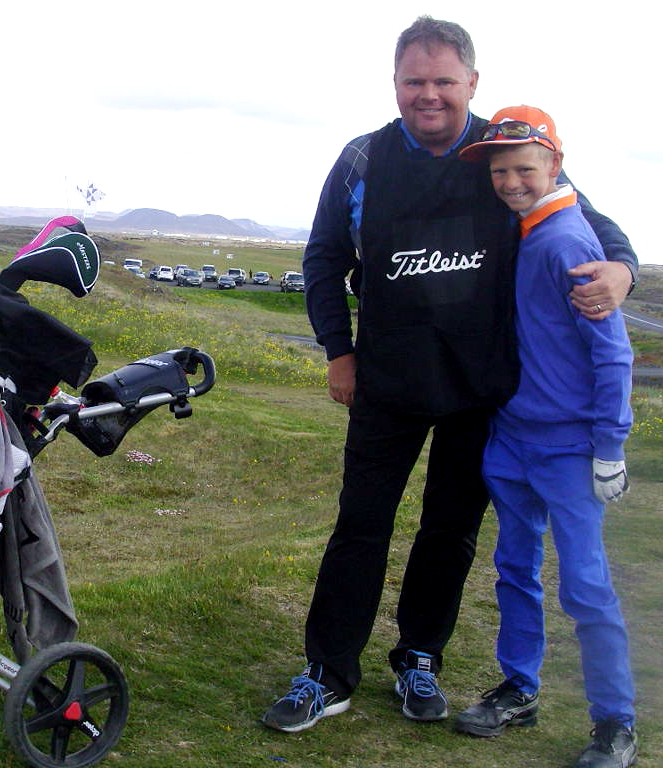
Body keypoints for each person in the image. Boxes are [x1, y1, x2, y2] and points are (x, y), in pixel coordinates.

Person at [262, 15, 639, 735]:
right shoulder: (363, 158)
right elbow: (323, 259)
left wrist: (621, 270)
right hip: (387, 379)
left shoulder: (507, 149)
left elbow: (592, 223)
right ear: (394, 84)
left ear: (472, 82)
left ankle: (419, 658)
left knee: (450, 531)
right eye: (414, 82)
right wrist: (338, 351)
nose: (428, 95)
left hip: (480, 387)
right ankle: (328, 672)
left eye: (443, 81)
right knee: (360, 525)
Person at [451, 105, 637, 768]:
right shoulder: (522, 230)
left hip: (568, 447)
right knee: (514, 568)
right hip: (512, 437)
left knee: (585, 585)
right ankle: (520, 689)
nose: (510, 182)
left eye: (524, 169)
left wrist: (610, 446)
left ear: (556, 164)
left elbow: (613, 354)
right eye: (500, 171)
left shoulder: (565, 240)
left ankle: (615, 721)